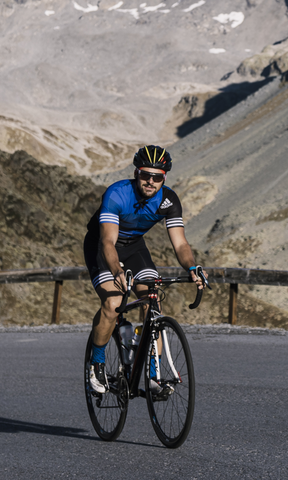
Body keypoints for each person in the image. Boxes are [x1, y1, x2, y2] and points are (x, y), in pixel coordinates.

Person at [86, 144, 205, 394]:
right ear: (136, 173)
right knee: (113, 303)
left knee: (153, 301)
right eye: (145, 175)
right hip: (102, 246)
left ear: (164, 178)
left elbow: (180, 244)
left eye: (157, 177)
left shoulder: (169, 200)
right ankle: (96, 363)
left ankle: (153, 375)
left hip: (135, 248)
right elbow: (108, 242)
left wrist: (192, 267)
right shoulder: (117, 194)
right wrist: (116, 271)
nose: (150, 181)